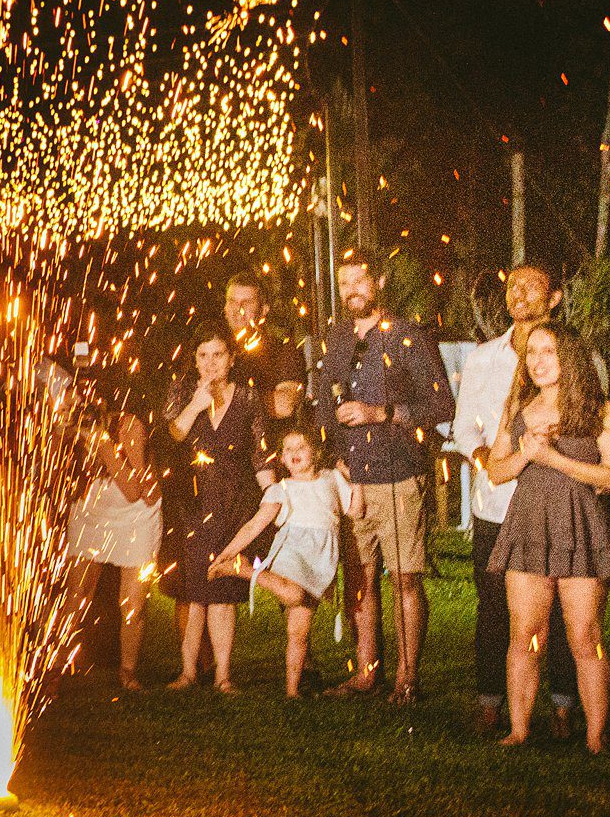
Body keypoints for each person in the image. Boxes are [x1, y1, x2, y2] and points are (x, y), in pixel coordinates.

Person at [483, 320, 610, 752]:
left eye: (548, 352)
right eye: (531, 353)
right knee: (525, 633)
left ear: (569, 357)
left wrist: (552, 458)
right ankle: (520, 729)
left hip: (580, 527)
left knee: (585, 636)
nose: (537, 362)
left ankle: (595, 735)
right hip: (528, 527)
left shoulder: (597, 409)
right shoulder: (517, 409)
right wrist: (525, 455)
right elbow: (495, 471)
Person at [311, 248, 450, 701]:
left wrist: (382, 412)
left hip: (399, 475)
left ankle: (408, 677)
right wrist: (334, 455)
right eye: (345, 281)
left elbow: (442, 406)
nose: (352, 290)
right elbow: (325, 407)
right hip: (353, 480)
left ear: (381, 282)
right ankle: (367, 671)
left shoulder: (410, 336)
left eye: (360, 280)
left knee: (404, 578)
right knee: (360, 579)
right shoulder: (335, 340)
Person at [448, 265, 583, 732]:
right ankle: (491, 701)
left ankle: (563, 703)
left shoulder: (574, 357)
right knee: (493, 607)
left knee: (563, 611)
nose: (518, 293)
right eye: (512, 285)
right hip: (496, 504)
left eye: (532, 286)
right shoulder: (484, 357)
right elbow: (464, 426)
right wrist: (487, 456)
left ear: (555, 298)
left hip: (553, 506)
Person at [211, 426, 356, 698]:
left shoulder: (332, 478)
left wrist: (352, 475)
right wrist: (228, 552)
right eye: (287, 450)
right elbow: (255, 525)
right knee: (293, 594)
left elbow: (352, 507)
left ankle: (292, 690)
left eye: (300, 447)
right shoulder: (282, 489)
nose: (294, 453)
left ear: (316, 451)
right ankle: (242, 568)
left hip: (322, 559)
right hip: (294, 552)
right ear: (281, 459)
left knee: (298, 630)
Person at [161, 329, 267, 691]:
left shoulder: (249, 398)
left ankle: (223, 674)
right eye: (203, 355)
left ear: (231, 358)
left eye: (218, 355)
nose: (210, 363)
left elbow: (259, 449)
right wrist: (196, 402)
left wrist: (273, 491)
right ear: (195, 360)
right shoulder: (182, 392)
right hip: (193, 503)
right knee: (193, 594)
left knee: (222, 592)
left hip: (233, 504)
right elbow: (174, 434)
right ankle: (188, 672)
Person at [64, 385, 161, 689]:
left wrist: (103, 446)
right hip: (91, 512)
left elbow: (136, 492)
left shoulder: (127, 425)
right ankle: (62, 663)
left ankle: (128, 672)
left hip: (136, 513)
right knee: (78, 593)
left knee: (132, 602)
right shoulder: (68, 424)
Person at [224, 272, 307, 422]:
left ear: (264, 310)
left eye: (246, 302)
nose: (238, 309)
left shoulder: (282, 350)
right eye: (232, 301)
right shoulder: (213, 350)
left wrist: (226, 399)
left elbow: (285, 406)